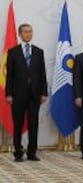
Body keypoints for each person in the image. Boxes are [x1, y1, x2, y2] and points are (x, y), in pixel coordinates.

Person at [6, 23, 48, 162]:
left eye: (30, 31)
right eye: (25, 32)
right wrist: (9, 94)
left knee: (33, 124)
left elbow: (43, 74)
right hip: (18, 95)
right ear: (20, 34)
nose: (28, 34)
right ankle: (18, 152)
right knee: (17, 124)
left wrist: (44, 92)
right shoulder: (13, 52)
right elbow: (9, 76)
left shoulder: (38, 51)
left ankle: (32, 153)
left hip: (35, 95)